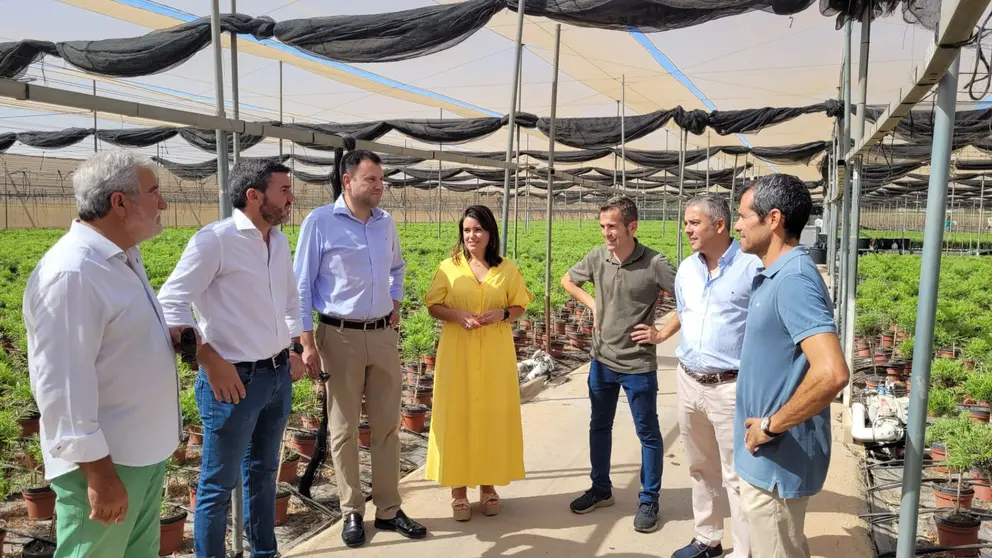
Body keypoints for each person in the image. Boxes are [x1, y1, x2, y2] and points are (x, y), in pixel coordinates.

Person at [22, 150, 179, 558]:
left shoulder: (121, 256)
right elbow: (62, 383)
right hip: (108, 466)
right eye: (154, 192)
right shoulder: (73, 273)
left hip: (140, 456)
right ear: (120, 202)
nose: (162, 203)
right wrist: (99, 474)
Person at [157, 159, 306, 558]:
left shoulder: (278, 241)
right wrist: (208, 358)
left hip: (275, 377)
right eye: (284, 191)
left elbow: (291, 302)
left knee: (263, 473)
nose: (291, 198)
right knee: (217, 486)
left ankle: (264, 551)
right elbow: (169, 302)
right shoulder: (215, 241)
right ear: (254, 195)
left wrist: (294, 348)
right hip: (233, 382)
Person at [293, 149, 427, 548]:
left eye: (381, 179)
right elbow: (300, 285)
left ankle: (388, 509)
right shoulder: (320, 223)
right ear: (347, 181)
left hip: (383, 335)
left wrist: (396, 306)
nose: (379, 186)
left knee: (387, 424)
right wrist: (305, 342)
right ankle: (352, 510)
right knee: (344, 428)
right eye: (371, 179)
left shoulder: (386, 223)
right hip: (339, 336)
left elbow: (398, 268)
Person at [636, 194, 759, 558]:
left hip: (731, 384)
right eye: (686, 222)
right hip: (690, 381)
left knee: (737, 474)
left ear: (719, 225)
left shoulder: (752, 267)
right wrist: (661, 334)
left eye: (694, 223)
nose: (686, 229)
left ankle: (745, 550)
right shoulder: (688, 269)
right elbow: (686, 311)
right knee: (700, 467)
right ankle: (707, 538)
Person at [733, 174, 850, 558]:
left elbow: (832, 372)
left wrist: (770, 426)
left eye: (743, 216)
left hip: (777, 460)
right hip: (763, 456)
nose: (737, 225)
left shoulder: (795, 281)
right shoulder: (773, 274)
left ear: (774, 219)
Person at [561, 195, 676, 534]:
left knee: (648, 433)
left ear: (632, 227)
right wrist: (593, 303)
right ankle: (601, 489)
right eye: (603, 226)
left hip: (638, 364)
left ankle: (649, 498)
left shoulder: (656, 263)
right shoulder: (598, 257)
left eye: (612, 227)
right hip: (601, 361)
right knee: (600, 426)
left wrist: (661, 333)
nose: (606, 233)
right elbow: (568, 280)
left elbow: (691, 299)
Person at [423, 205, 533, 521]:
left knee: (491, 416)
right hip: (457, 351)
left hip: (496, 352)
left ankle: (488, 487)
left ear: (489, 234)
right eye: (467, 230)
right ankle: (458, 492)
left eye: (478, 230)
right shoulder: (449, 267)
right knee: (457, 415)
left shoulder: (507, 270)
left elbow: (520, 304)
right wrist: (456, 315)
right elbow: (433, 305)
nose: (472, 236)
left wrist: (504, 314)